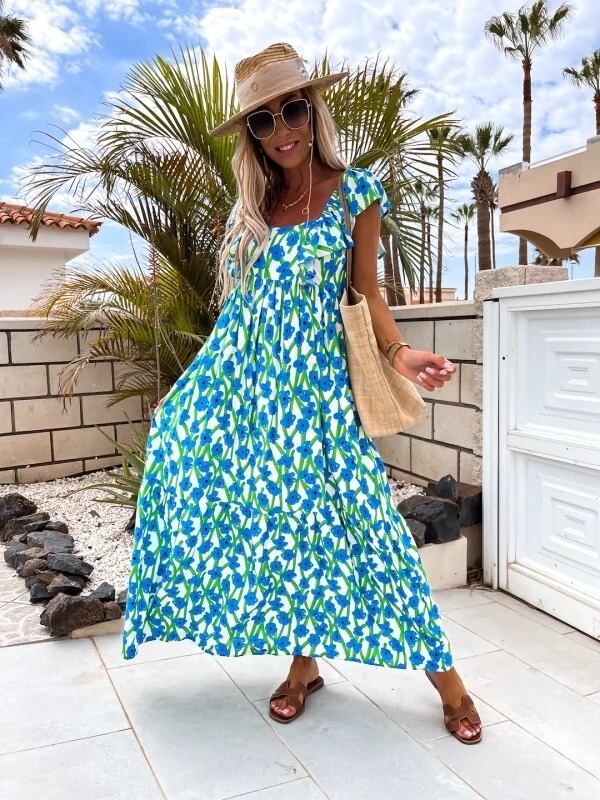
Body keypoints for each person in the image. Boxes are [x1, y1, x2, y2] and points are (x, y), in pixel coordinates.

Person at [121, 42, 482, 744]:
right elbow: (239, 318)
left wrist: (403, 355)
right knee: (284, 536)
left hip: (320, 404)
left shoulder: (353, 192)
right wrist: (192, 395)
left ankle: (450, 683)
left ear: (313, 111)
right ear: (252, 136)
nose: (281, 129)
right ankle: (302, 668)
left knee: (372, 534)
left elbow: (367, 293)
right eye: (263, 120)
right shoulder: (254, 209)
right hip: (254, 398)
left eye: (291, 110)